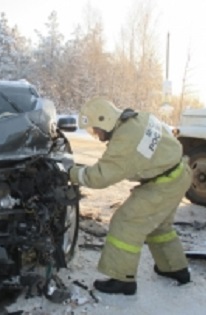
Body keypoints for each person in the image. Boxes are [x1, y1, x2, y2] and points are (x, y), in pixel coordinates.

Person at [68, 96, 192, 295]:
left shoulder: (126, 139)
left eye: (96, 129)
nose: (97, 135)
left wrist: (71, 173)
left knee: (125, 223)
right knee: (158, 225)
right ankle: (175, 268)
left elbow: (100, 177)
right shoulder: (137, 118)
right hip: (179, 174)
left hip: (162, 184)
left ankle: (122, 280)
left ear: (104, 119)